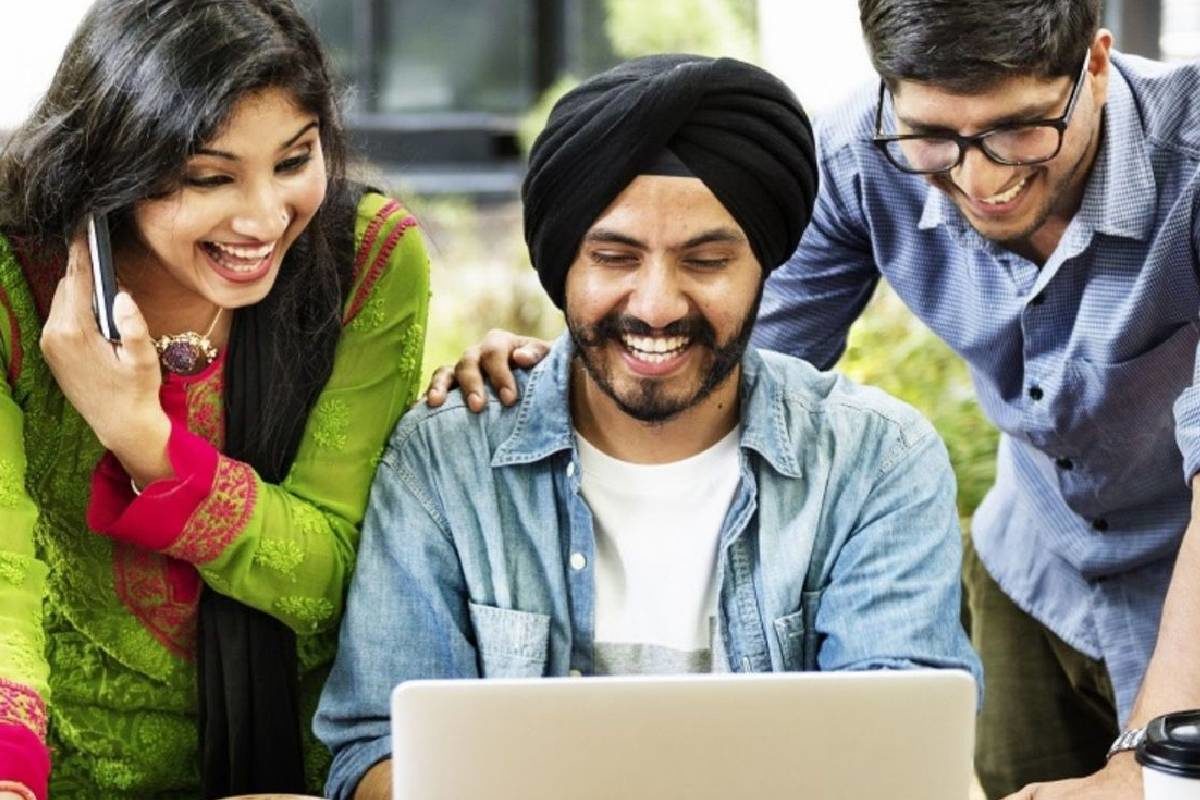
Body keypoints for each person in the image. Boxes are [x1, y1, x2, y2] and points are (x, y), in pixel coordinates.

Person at [438, 2, 1200, 798]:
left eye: (1019, 130)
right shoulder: (858, 156)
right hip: (1036, 571)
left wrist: (1149, 762)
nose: (981, 179)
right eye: (934, 135)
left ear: (1096, 65)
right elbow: (723, 361)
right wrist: (570, 370)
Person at [316, 53, 981, 800]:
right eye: (614, 257)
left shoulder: (875, 461)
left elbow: (905, 758)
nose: (657, 306)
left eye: (707, 261)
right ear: (563, 266)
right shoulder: (446, 462)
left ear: (764, 267)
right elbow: (376, 753)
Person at [0, 1, 429, 798]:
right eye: (209, 177)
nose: (265, 218)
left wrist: (143, 438)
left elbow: (329, 576)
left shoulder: (366, 259)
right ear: (112, 166)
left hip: (295, 776)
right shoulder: (12, 280)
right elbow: (2, 575)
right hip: (60, 772)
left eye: (294, 160)